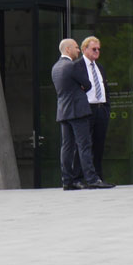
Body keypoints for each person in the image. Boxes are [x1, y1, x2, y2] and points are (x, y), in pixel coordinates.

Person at [51, 38, 112, 189]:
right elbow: (88, 84)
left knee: (67, 147)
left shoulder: (56, 67)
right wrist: (82, 87)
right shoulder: (72, 66)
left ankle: (67, 180)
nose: (77, 50)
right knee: (84, 146)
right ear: (67, 49)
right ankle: (91, 179)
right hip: (79, 111)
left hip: (64, 111)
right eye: (76, 47)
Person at [80, 36, 113, 184]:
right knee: (85, 145)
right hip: (87, 110)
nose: (97, 51)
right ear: (84, 49)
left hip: (101, 109)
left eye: (99, 49)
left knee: (99, 144)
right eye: (94, 49)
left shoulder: (100, 68)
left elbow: (105, 88)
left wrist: (106, 107)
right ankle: (84, 177)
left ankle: (98, 177)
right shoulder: (78, 66)